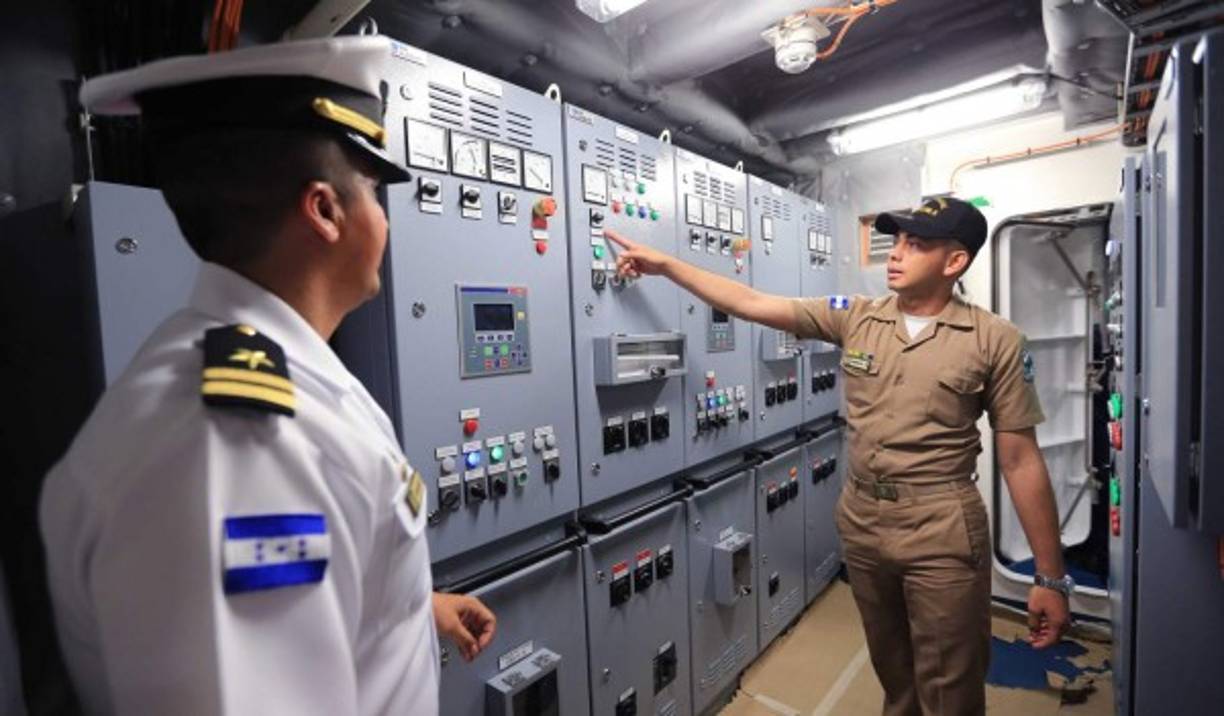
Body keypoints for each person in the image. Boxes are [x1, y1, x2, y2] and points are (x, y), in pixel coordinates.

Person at [39, 36, 494, 715]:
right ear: (325, 211)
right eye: (373, 189)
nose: (384, 218)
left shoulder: (269, 387)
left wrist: (409, 606)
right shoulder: (236, 442)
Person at [607, 196, 1072, 715]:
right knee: (895, 677)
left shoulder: (995, 340)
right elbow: (751, 301)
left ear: (954, 262)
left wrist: (1049, 579)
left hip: (941, 527)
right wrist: (666, 265)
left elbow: (1020, 461)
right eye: (895, 240)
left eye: (915, 244)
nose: (895, 254)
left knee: (950, 687)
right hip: (863, 520)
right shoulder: (856, 317)